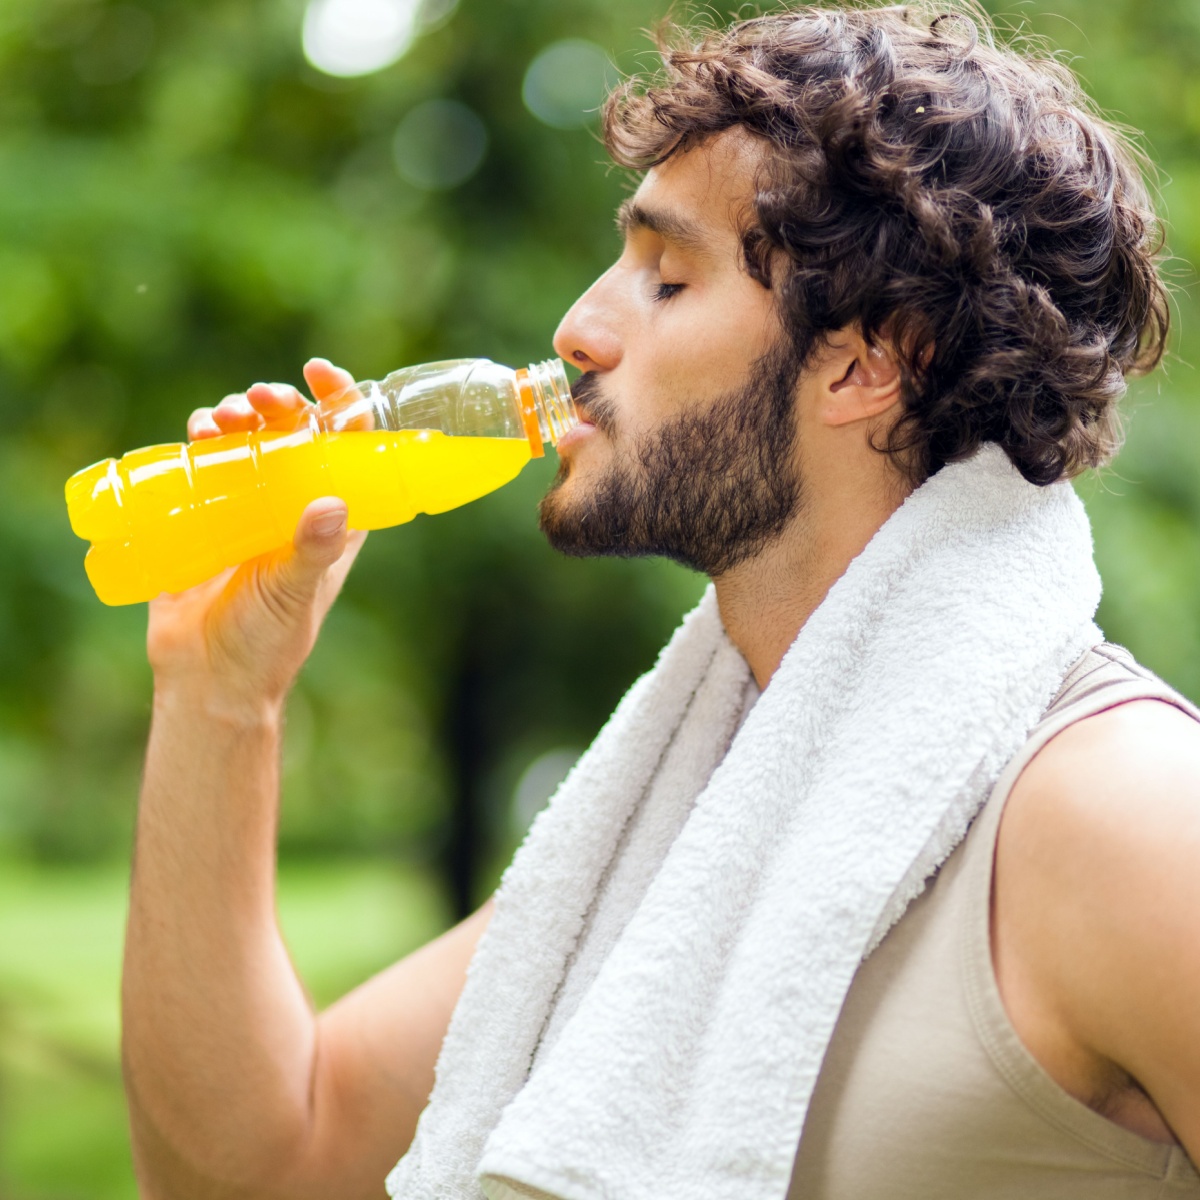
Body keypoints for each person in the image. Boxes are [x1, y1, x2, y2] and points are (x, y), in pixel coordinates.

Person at [120, 3, 1200, 1198]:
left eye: (668, 278)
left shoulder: (1127, 816)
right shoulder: (704, 828)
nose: (579, 327)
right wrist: (219, 696)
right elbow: (261, 1164)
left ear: (862, 363)